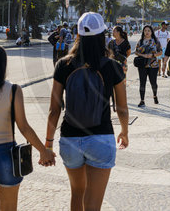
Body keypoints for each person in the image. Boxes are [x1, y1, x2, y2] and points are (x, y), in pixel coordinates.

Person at [45, 12, 129, 211]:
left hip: (70, 138)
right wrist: (124, 132)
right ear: (103, 36)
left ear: (78, 35)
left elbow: (54, 110)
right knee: (93, 203)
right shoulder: (112, 66)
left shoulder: (63, 65)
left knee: (77, 194)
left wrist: (48, 144)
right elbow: (123, 109)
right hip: (101, 137)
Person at [0, 45, 55, 211]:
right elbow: (24, 127)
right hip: (5, 154)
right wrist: (44, 150)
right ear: (2, 65)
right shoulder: (13, 90)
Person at [135, 25, 162, 107]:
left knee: (153, 82)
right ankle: (142, 100)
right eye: (145, 30)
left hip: (153, 65)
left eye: (148, 30)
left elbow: (160, 52)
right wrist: (144, 56)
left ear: (151, 32)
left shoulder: (156, 41)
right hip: (142, 65)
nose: (147, 32)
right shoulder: (140, 41)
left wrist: (153, 55)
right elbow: (136, 52)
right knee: (142, 82)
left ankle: (155, 95)